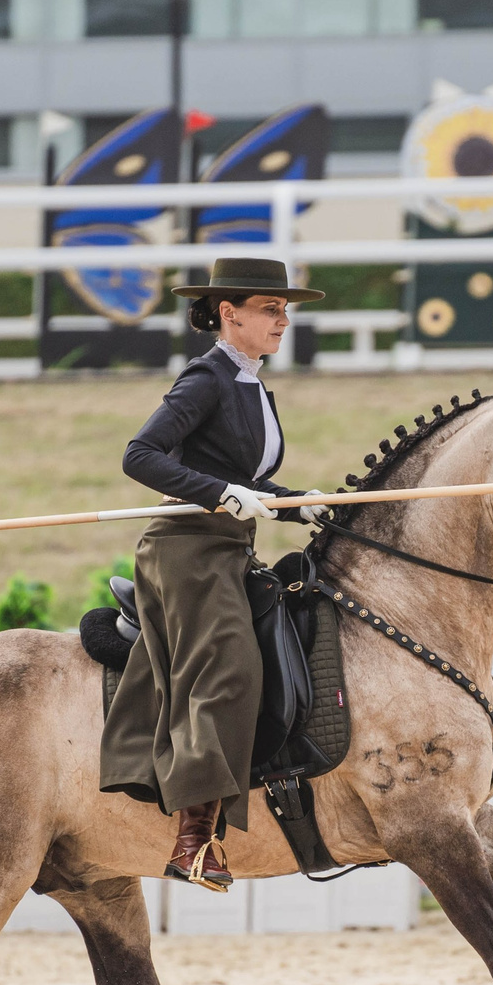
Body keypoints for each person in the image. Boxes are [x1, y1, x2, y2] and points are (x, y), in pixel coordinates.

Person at [99, 254, 328, 892]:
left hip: (227, 546)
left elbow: (245, 477)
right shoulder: (204, 379)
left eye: (286, 310)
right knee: (228, 666)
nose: (284, 320)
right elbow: (139, 456)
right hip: (185, 551)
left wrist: (291, 500)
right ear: (229, 314)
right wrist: (219, 494)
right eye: (271, 309)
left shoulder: (252, 382)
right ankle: (194, 839)